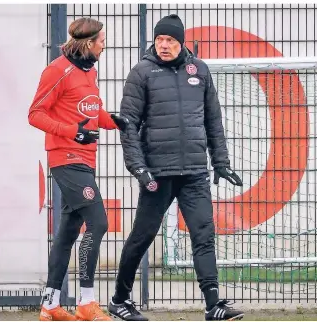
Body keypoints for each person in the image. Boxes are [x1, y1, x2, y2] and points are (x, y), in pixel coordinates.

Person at [108, 14, 245, 321]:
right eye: (160, 40)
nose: (164, 46)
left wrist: (220, 162)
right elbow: (128, 126)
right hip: (158, 174)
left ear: (181, 42)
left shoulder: (200, 70)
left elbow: (213, 120)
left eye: (170, 40)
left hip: (195, 172)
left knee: (203, 235)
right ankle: (119, 300)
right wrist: (139, 169)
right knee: (141, 237)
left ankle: (213, 306)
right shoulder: (141, 73)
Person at [28, 17, 129, 321]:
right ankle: (87, 302)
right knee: (98, 223)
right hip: (67, 159)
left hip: (86, 160)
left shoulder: (89, 71)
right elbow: (35, 114)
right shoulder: (57, 70)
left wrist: (115, 122)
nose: (104, 45)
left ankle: (49, 306)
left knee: (66, 235)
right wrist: (73, 131)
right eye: (101, 41)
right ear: (88, 43)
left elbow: (91, 109)